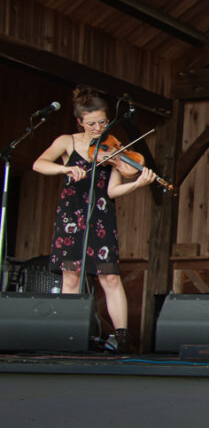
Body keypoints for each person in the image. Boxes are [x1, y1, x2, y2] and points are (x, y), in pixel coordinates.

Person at [32, 86, 156, 352]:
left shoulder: (113, 147)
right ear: (80, 122)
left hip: (101, 216)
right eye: (91, 123)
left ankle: (122, 338)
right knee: (71, 277)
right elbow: (39, 164)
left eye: (102, 121)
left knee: (109, 277)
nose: (98, 127)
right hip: (71, 215)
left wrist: (137, 185)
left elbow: (112, 190)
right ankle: (67, 333)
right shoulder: (66, 141)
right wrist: (66, 168)